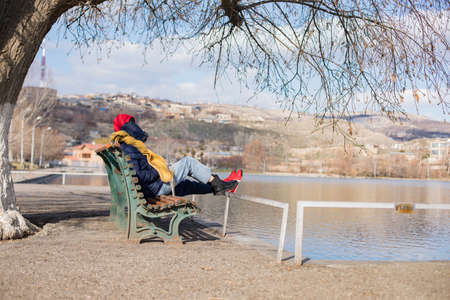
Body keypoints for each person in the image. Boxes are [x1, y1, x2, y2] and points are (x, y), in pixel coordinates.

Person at [110, 114, 239, 198]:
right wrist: (157, 171)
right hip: (155, 188)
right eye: (133, 124)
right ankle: (219, 183)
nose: (137, 126)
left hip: (147, 190)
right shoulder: (129, 147)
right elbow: (140, 175)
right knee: (188, 162)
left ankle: (222, 186)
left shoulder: (126, 146)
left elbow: (139, 172)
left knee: (186, 185)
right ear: (127, 128)